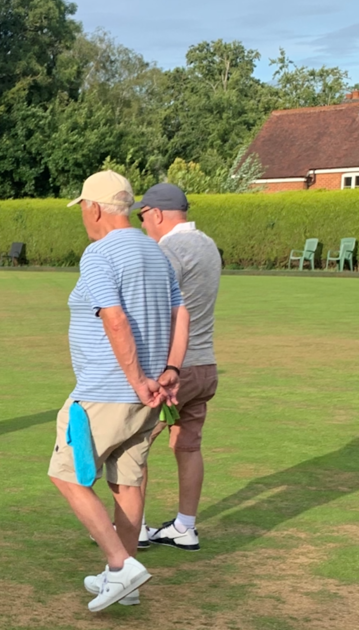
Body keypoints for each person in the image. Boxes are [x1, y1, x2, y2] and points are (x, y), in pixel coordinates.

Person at [49, 170, 189, 612]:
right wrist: (169, 370)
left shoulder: (98, 254)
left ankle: (120, 563)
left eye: (83, 209)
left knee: (65, 474)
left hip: (107, 389)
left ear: (93, 208)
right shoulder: (155, 250)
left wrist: (137, 379)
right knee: (126, 481)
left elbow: (115, 319)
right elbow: (181, 313)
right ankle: (121, 579)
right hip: (147, 394)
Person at [134, 183, 221, 552]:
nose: (141, 226)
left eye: (142, 217)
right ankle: (185, 526)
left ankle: (132, 526)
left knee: (132, 445)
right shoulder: (208, 244)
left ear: (156, 213)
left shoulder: (166, 250)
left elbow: (154, 310)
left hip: (172, 369)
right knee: (187, 445)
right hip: (205, 364)